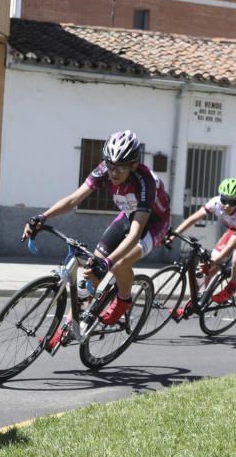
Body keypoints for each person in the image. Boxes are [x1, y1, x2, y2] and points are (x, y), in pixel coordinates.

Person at [22, 130, 170, 347]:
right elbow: (74, 199)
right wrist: (42, 217)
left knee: (118, 263)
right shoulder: (104, 170)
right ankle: (67, 328)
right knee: (91, 271)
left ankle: (123, 299)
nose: (114, 171)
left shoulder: (144, 181)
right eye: (110, 164)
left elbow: (137, 232)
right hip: (129, 216)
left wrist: (107, 263)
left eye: (121, 166)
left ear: (134, 165)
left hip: (153, 224)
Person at [167, 177, 236, 319]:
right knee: (206, 270)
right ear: (220, 197)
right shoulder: (216, 202)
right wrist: (175, 234)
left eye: (232, 202)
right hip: (233, 230)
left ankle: (231, 286)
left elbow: (231, 245)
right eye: (225, 200)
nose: (227, 205)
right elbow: (193, 218)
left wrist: (216, 259)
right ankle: (194, 304)